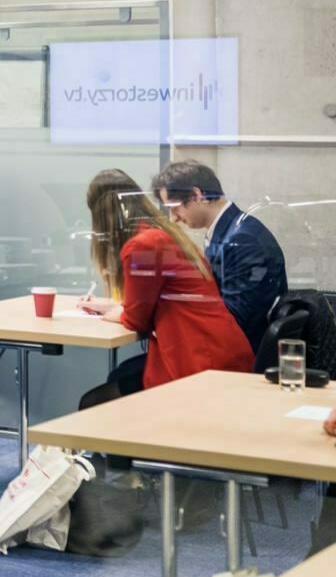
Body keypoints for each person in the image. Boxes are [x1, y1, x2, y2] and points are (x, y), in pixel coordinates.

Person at [76, 169, 252, 409]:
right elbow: (157, 301)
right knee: (120, 378)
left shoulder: (141, 245)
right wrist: (109, 306)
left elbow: (136, 320)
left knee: (93, 404)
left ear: (101, 216)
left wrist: (115, 313)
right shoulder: (163, 235)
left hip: (197, 363)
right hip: (217, 350)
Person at [153, 159, 287, 354]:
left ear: (196, 195)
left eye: (174, 208)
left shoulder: (242, 240)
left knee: (131, 375)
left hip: (239, 356)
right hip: (229, 347)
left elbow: (235, 319)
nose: (173, 218)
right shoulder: (229, 231)